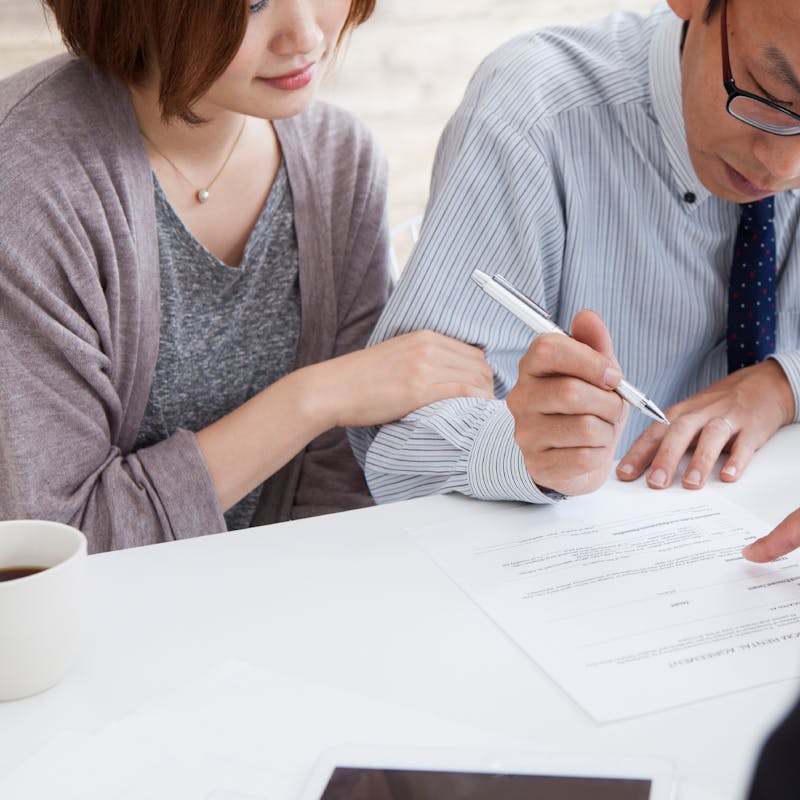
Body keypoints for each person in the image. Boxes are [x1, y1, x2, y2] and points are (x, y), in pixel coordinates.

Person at [0, 0, 494, 553]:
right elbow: (58, 546)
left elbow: (343, 490)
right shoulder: (29, 182)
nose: (304, 36)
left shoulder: (340, 164)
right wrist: (315, 397)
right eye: (253, 4)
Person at [350, 0, 800, 522]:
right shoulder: (534, 114)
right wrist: (520, 447)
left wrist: (782, 384)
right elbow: (394, 444)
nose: (784, 166)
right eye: (768, 93)